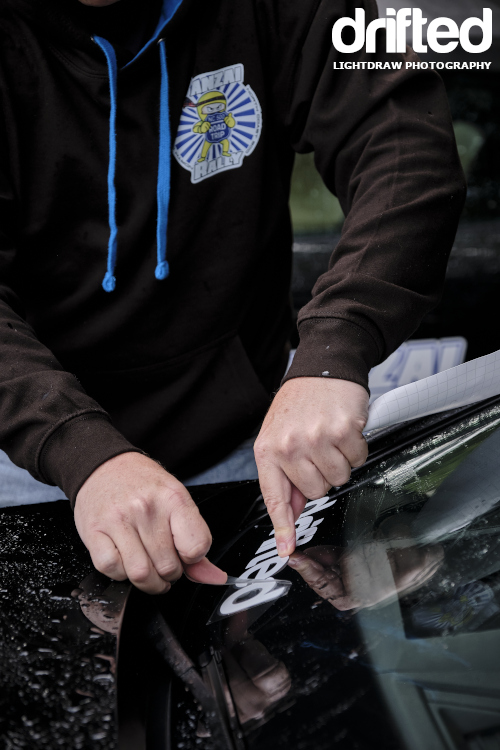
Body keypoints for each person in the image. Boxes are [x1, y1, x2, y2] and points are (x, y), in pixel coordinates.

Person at [0, 0, 465, 593]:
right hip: (28, 462)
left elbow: (404, 147)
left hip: (254, 446)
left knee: (278, 676)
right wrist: (81, 452)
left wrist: (332, 352)